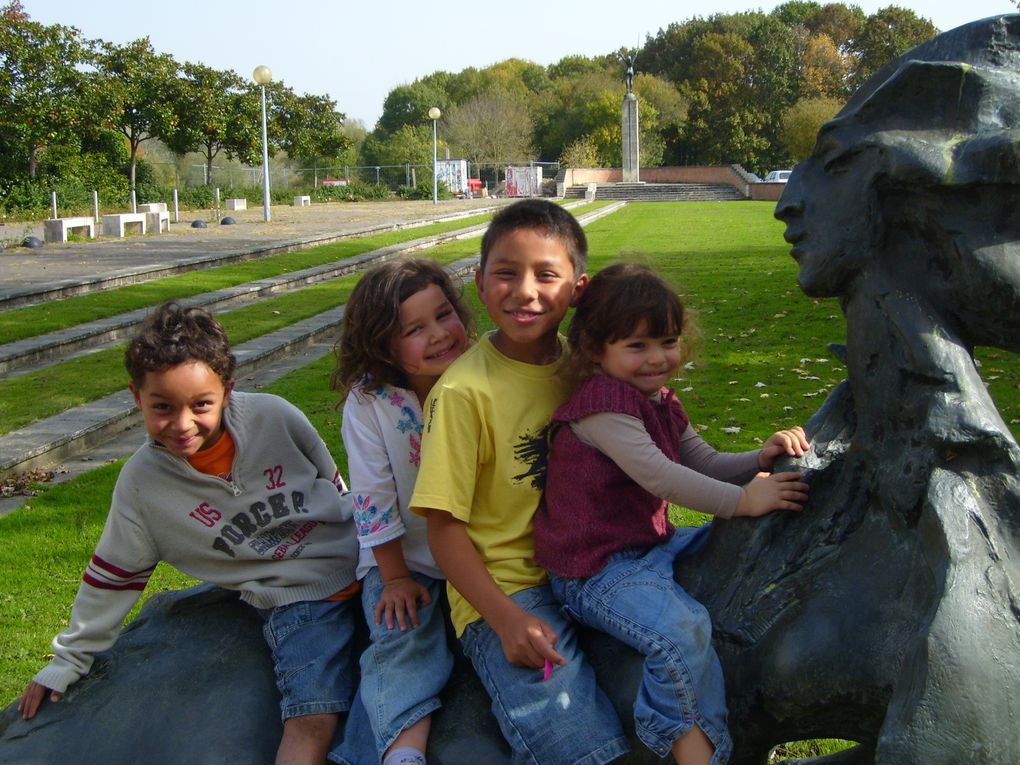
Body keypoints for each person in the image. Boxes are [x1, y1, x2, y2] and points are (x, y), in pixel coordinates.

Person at [18, 302, 360, 765]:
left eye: (201, 405)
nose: (182, 424)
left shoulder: (275, 416)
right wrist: (68, 660)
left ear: (228, 391)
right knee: (312, 718)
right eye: (162, 407)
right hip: (301, 603)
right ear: (136, 398)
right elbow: (112, 576)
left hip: (369, 560)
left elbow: (333, 483)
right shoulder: (143, 487)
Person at [533, 263, 810, 765]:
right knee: (681, 633)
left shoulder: (655, 399)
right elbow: (662, 476)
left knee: (754, 539)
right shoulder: (602, 408)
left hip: (650, 546)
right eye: (636, 346)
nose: (657, 358)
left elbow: (700, 460)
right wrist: (745, 499)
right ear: (596, 351)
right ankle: (692, 752)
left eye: (667, 341)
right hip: (595, 571)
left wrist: (758, 459)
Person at [410, 199, 630, 765]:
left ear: (578, 288)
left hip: (588, 563)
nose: (524, 291)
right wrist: (505, 620)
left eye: (546, 275)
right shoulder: (463, 395)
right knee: (577, 742)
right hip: (508, 588)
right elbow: (443, 530)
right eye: (506, 273)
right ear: (480, 282)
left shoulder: (582, 366)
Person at [329, 259, 472, 765]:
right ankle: (400, 756)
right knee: (400, 641)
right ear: (382, 345)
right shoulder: (370, 403)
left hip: (480, 552)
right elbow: (370, 498)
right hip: (404, 558)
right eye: (415, 329)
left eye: (444, 314)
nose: (439, 335)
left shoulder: (481, 373)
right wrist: (392, 579)